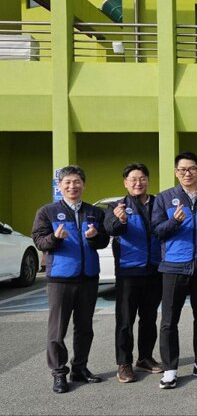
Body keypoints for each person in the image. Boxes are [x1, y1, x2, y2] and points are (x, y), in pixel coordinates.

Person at [31, 165, 110, 393]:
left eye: (77, 182)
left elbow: (103, 241)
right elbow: (38, 240)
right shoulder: (47, 211)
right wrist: (54, 238)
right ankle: (59, 373)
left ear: (84, 185)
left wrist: (95, 237)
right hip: (60, 279)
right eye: (67, 182)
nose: (72, 186)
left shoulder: (94, 212)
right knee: (57, 330)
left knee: (85, 328)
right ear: (60, 186)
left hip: (88, 278)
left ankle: (80, 368)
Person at [151, 151, 197, 389]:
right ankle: (170, 369)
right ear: (176, 172)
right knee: (169, 320)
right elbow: (157, 231)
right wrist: (175, 221)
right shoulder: (164, 199)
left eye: (192, 168)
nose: (187, 173)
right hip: (174, 266)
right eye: (182, 170)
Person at [103, 163, 163, 383]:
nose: (138, 183)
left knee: (149, 317)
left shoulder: (159, 203)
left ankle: (145, 358)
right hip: (129, 271)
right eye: (133, 179)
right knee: (126, 320)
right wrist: (120, 220)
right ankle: (124, 363)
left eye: (142, 178)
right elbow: (109, 229)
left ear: (148, 180)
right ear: (125, 183)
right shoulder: (116, 206)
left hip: (155, 270)